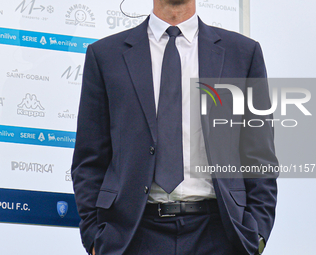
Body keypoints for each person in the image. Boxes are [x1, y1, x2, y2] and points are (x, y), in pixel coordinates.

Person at [71, 0, 279, 254]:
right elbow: (89, 158)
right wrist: (95, 237)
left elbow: (259, 156)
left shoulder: (243, 54)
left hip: (220, 233)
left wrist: (255, 236)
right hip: (133, 235)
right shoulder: (105, 55)